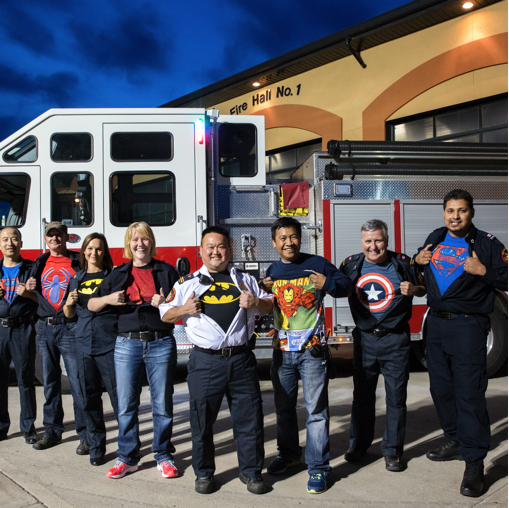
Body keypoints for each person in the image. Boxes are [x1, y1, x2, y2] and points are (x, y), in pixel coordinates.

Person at [159, 226, 273, 495]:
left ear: (229, 249)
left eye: (220, 246)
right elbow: (165, 314)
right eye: (209, 247)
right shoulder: (187, 282)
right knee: (202, 420)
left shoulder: (245, 279)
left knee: (250, 419)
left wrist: (255, 301)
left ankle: (251, 472)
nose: (215, 251)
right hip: (205, 361)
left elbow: (270, 305)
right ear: (201, 251)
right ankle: (204, 473)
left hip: (241, 358)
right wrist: (184, 309)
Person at [415, 189, 507, 497]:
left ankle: (475, 463)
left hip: (468, 325)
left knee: (469, 394)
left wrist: (484, 272)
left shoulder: (488, 244)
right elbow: (422, 269)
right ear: (444, 213)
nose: (455, 216)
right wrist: (418, 259)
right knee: (440, 389)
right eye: (450, 210)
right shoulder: (436, 236)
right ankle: (455, 440)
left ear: (472, 213)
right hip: (437, 324)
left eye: (462, 210)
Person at [262, 217, 353, 494]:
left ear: (301, 238)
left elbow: (346, 287)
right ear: (275, 242)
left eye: (293, 237)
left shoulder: (318, 263)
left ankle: (318, 468)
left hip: (312, 353)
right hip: (282, 353)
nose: (288, 242)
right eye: (282, 238)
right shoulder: (273, 270)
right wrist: (265, 289)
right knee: (284, 409)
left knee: (316, 411)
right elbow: (267, 304)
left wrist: (327, 283)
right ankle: (289, 455)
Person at [89, 222, 179, 480]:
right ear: (129, 244)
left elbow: (183, 308)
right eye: (135, 240)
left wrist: (166, 303)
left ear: (152, 242)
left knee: (162, 404)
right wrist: (108, 299)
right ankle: (127, 458)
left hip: (160, 342)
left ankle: (163, 455)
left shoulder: (166, 271)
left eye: (145, 239)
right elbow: (92, 304)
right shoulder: (118, 274)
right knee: (127, 405)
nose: (140, 244)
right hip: (126, 344)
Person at [340, 219, 425, 472]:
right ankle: (359, 445)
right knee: (362, 396)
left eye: (378, 240)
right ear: (362, 241)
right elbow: (334, 287)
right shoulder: (350, 264)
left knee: (396, 398)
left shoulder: (403, 262)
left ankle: (392, 451)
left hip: (395, 339)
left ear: (386, 241)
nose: (373, 246)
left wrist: (415, 290)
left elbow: (424, 289)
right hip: (365, 339)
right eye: (368, 241)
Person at [63, 233, 118, 466]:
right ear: (83, 251)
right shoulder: (76, 279)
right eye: (89, 248)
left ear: (104, 252)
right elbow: (69, 315)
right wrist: (67, 304)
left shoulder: (114, 277)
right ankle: (96, 446)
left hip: (110, 344)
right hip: (83, 343)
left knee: (119, 399)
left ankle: (128, 446)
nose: (93, 252)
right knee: (90, 398)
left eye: (98, 249)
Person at [31, 221, 87, 452]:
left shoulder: (77, 261)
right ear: (46, 239)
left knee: (77, 382)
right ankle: (52, 432)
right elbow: (31, 291)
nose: (54, 239)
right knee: (50, 383)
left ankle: (85, 434)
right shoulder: (40, 262)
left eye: (59, 235)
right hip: (44, 328)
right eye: (50, 235)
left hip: (70, 327)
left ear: (67, 237)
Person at [0, 227, 38, 444]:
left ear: (21, 243)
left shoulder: (32, 269)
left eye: (14, 239)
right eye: (5, 239)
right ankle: (1, 426)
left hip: (23, 328)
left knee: (25, 379)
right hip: (0, 329)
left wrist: (30, 294)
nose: (10, 243)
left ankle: (28, 427)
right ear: (0, 245)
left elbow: (43, 300)